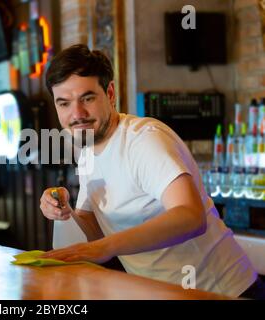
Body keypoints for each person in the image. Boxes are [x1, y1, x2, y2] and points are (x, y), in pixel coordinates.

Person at [39, 44, 265, 299]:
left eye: (87, 98)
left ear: (110, 93)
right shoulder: (88, 148)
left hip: (222, 292)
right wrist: (63, 210)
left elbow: (191, 216)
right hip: (162, 293)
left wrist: (106, 247)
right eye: (64, 103)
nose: (76, 114)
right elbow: (93, 232)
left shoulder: (143, 140)